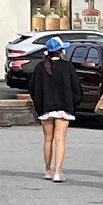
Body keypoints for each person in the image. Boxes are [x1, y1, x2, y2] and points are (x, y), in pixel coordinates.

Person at [27, 41, 81, 182]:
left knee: (47, 139)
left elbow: (33, 88)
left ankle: (47, 170)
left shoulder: (40, 67)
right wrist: (74, 104)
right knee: (60, 139)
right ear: (61, 51)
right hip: (64, 107)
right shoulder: (68, 67)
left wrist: (39, 104)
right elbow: (76, 88)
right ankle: (58, 171)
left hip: (46, 107)